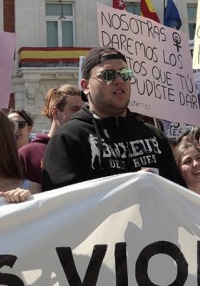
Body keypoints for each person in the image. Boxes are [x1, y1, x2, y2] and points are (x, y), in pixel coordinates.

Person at [41, 47, 183, 190]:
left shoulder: (155, 137)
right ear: (85, 86)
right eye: (108, 75)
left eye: (125, 74)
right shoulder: (68, 139)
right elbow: (63, 204)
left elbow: (177, 198)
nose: (119, 80)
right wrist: (127, 186)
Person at [19, 84, 83, 184]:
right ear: (55, 112)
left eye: (83, 110)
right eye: (75, 110)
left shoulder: (87, 150)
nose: (81, 114)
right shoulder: (27, 154)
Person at [172, 132, 200, 198]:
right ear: (178, 169)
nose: (196, 164)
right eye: (187, 161)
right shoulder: (175, 201)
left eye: (199, 158)